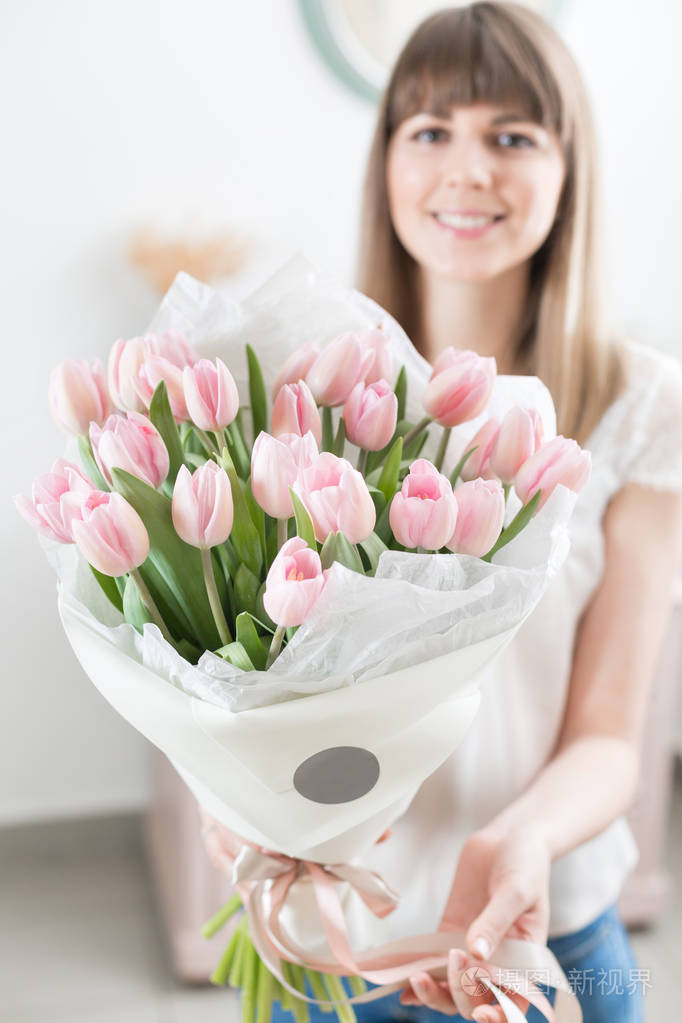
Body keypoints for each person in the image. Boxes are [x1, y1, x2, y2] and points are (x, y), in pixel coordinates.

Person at [269, 3, 682, 1022]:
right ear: (387, 164)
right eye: (430, 131)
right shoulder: (307, 398)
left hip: (555, 924)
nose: (467, 169)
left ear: (566, 169)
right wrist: (232, 816)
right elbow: (253, 682)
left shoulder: (644, 409)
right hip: (335, 934)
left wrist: (521, 839)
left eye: (510, 135)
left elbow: (608, 740)